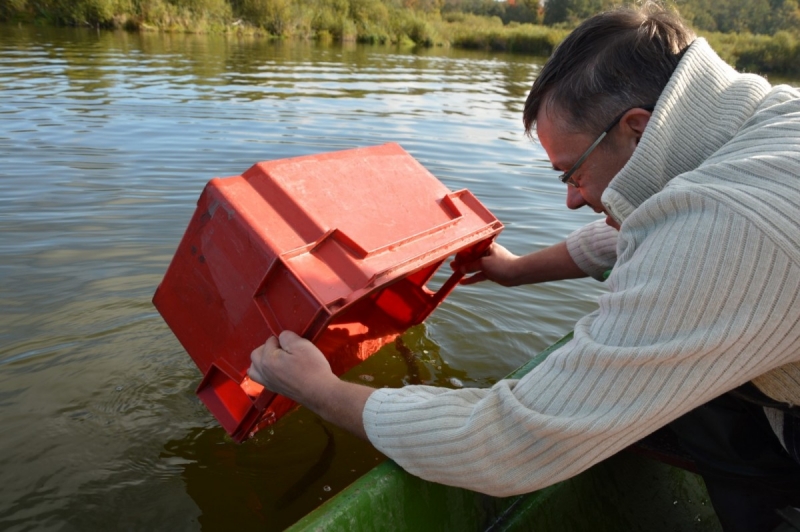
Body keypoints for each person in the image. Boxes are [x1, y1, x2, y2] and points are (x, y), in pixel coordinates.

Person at [248, 3, 800, 530]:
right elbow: (662, 228)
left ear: (636, 127)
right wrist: (514, 270)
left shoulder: (729, 226)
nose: (573, 200)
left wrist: (321, 391)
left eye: (571, 173)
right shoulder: (766, 126)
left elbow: (508, 446)